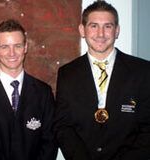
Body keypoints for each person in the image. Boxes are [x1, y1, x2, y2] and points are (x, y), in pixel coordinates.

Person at [54, 1, 150, 160]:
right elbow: (63, 126)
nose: (100, 34)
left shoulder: (143, 71)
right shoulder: (67, 73)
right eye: (93, 26)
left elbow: (147, 127)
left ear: (117, 31)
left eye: (107, 26)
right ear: (82, 30)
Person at [0, 19, 57, 160]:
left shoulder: (43, 92)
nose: (12, 53)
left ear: (25, 47)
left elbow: (50, 142)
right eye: (5, 47)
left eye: (17, 46)